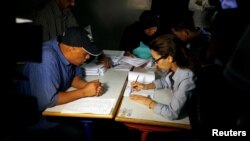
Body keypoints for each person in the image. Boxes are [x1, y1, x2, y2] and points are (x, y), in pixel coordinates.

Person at [17, 27, 104, 140]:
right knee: (79, 133)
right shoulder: (46, 57)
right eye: (85, 53)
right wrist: (84, 92)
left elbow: (73, 77)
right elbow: (47, 101)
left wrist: (87, 87)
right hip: (34, 119)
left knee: (96, 122)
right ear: (71, 48)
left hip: (53, 110)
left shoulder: (67, 52)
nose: (88, 57)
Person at [130, 34, 199, 120]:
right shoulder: (175, 66)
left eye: (156, 60)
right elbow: (166, 81)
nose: (155, 63)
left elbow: (172, 113)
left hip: (188, 117)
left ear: (169, 58)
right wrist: (145, 86)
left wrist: (147, 102)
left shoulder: (187, 79)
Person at [32, 0, 111, 68]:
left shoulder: (68, 12)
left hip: (69, 65)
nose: (73, 4)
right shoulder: (42, 15)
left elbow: (80, 39)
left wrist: (99, 55)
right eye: (70, 0)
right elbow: (44, 52)